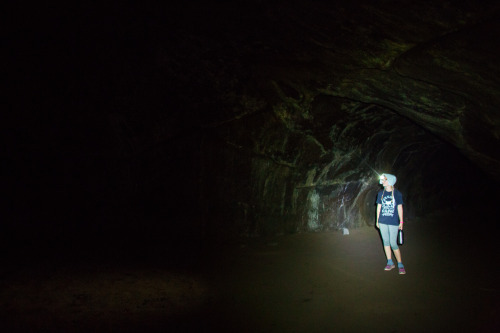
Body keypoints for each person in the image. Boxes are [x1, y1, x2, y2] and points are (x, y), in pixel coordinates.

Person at [376, 173, 406, 274]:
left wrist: (401, 221)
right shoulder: (381, 193)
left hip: (393, 222)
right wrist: (377, 220)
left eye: (385, 179)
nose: (383, 181)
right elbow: (379, 207)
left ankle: (400, 263)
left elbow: (399, 207)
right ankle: (390, 262)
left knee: (393, 243)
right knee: (386, 242)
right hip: (383, 221)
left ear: (390, 181)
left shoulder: (397, 194)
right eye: (383, 179)